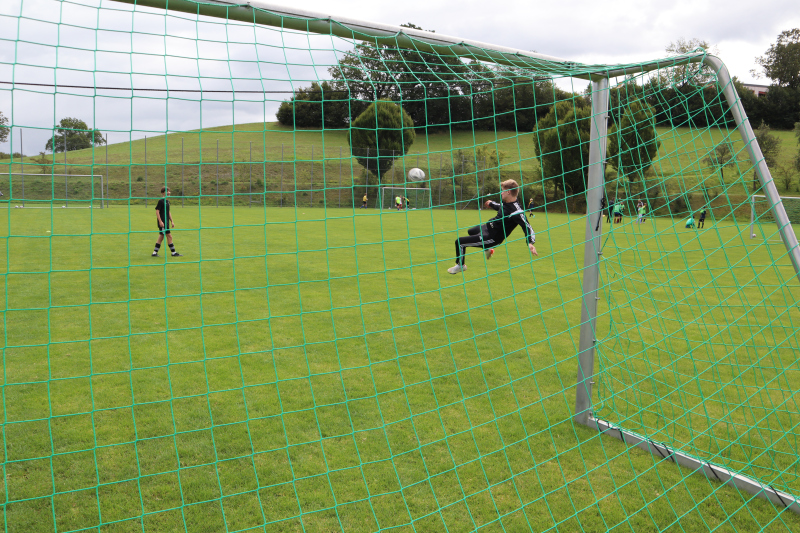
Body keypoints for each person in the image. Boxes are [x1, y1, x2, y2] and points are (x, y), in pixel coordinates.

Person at [448, 179, 537, 274]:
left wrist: (530, 242)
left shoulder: (517, 212)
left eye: (502, 191)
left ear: (508, 192)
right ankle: (488, 250)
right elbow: (501, 207)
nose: (501, 193)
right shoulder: (506, 203)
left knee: (460, 242)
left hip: (492, 238)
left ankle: (460, 266)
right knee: (471, 231)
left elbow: (527, 226)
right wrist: (491, 203)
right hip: (487, 228)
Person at [153, 187, 182, 257]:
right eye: (167, 191)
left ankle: (154, 253)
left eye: (169, 191)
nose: (169, 192)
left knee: (161, 236)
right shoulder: (161, 201)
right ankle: (173, 252)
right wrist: (160, 221)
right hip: (163, 223)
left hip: (166, 222)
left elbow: (168, 212)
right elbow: (157, 211)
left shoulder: (167, 201)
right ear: (163, 193)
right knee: (169, 236)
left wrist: (172, 221)